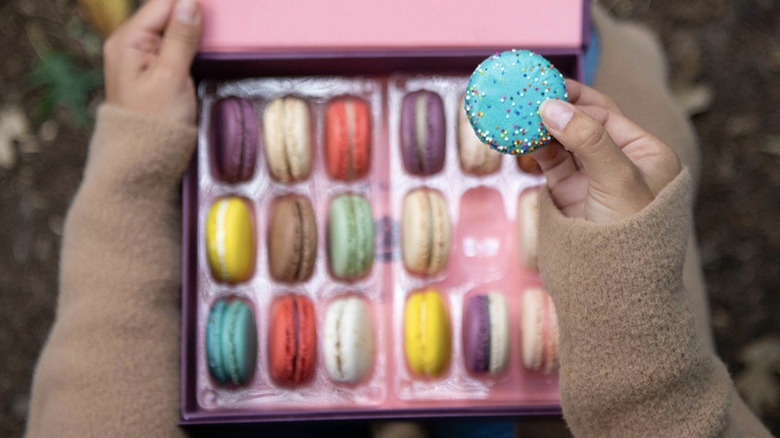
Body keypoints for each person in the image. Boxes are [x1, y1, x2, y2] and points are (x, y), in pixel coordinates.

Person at [23, 0, 773, 437]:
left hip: (509, 350)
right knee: (636, 97)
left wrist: (130, 168)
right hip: (564, 362)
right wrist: (647, 341)